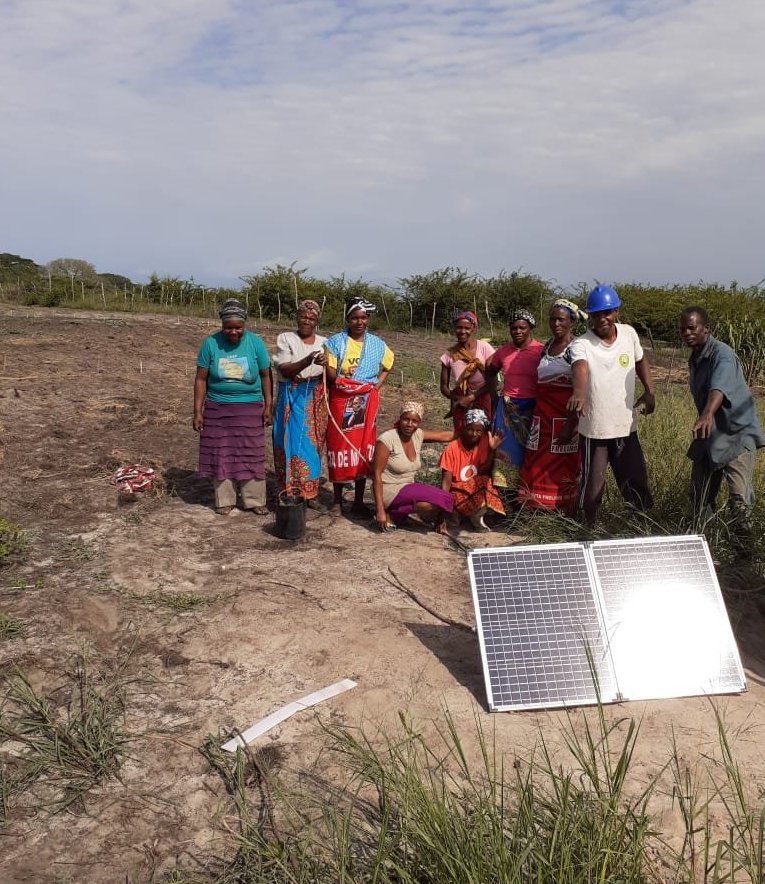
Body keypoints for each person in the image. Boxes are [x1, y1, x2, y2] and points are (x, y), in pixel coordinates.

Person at [567, 284, 655, 525]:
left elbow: (640, 359)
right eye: (596, 314)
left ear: (616, 311)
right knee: (593, 489)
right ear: (590, 317)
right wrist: (579, 392)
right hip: (595, 431)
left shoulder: (629, 334)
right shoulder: (581, 344)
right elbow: (580, 367)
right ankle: (587, 529)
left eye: (606, 312)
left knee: (636, 482)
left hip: (626, 428)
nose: (602, 318)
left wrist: (649, 391)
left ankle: (640, 527)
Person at [678, 306, 764, 538]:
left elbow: (719, 388)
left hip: (736, 434)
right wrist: (707, 420)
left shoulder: (722, 354)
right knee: (699, 495)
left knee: (738, 496)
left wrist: (706, 414)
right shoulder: (695, 358)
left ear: (706, 329)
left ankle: (743, 552)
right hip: (711, 434)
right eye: (683, 329)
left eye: (692, 327)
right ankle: (701, 543)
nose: (687, 332)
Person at [193, 298, 273, 515]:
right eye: (228, 327)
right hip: (218, 409)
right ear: (222, 325)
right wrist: (198, 411)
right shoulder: (210, 344)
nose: (233, 332)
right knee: (221, 453)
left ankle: (254, 500)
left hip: (250, 408)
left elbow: (266, 376)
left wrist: (268, 406)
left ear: (245, 325)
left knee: (252, 453)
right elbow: (200, 379)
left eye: (238, 327)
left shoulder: (255, 343)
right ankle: (225, 500)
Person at [324, 297, 394, 515]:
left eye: (363, 317)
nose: (359, 322)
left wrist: (377, 385)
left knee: (364, 448)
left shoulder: (377, 344)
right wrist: (346, 385)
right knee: (339, 448)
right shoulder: (334, 342)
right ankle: (337, 501)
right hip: (340, 399)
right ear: (347, 319)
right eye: (354, 318)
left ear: (368, 319)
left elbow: (388, 365)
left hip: (365, 400)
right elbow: (331, 374)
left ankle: (357, 501)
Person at [518, 299, 586, 512]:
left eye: (561, 319)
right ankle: (534, 507)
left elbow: (580, 387)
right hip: (541, 418)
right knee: (535, 464)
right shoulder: (546, 347)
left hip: (563, 420)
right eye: (552, 319)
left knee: (562, 467)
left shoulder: (576, 349)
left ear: (571, 322)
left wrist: (571, 424)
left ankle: (561, 511)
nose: (556, 323)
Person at [272, 299, 329, 511]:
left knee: (312, 445)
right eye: (303, 316)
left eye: (311, 318)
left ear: (316, 321)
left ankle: (310, 492)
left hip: (315, 396)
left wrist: (327, 364)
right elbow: (285, 369)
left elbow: (332, 371)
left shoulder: (325, 342)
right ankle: (288, 490)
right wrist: (308, 361)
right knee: (287, 440)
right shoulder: (286, 338)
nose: (306, 320)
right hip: (292, 393)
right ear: (297, 317)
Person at [372, 402, 455, 533]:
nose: (410, 424)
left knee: (442, 499)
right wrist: (379, 510)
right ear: (400, 419)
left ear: (419, 422)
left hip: (407, 487)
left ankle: (395, 514)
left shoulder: (417, 435)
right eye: (406, 419)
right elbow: (376, 475)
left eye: (415, 421)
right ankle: (387, 513)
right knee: (443, 498)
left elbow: (446, 436)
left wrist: (471, 433)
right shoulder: (387, 439)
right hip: (388, 489)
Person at [485, 308, 544, 493]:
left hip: (532, 408)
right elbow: (490, 370)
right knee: (506, 453)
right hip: (507, 409)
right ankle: (506, 498)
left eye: (522, 327)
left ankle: (527, 493)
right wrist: (495, 397)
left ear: (530, 328)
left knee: (531, 452)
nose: (518, 331)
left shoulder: (540, 351)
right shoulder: (504, 351)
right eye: (514, 328)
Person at [439, 408, 505, 531]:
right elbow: (446, 482)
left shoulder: (484, 442)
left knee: (487, 480)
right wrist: (443, 509)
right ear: (464, 428)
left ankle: (476, 514)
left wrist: (492, 450)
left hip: (474, 487)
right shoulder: (452, 448)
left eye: (478, 431)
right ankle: (458, 512)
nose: (474, 434)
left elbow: (483, 470)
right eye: (470, 429)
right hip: (457, 490)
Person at [439, 310, 496, 431]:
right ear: (454, 328)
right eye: (459, 327)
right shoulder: (449, 354)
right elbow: (443, 387)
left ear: (473, 328)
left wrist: (471, 398)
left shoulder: (485, 348)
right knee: (462, 434)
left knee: (483, 433)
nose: (463, 331)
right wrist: (459, 399)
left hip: (482, 397)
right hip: (460, 402)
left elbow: (493, 381)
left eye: (467, 328)